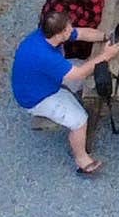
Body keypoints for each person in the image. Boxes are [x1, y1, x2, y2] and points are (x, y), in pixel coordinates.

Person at [10, 18, 104, 175]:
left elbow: (82, 33)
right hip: (38, 96)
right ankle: (82, 160)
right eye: (68, 29)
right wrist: (105, 56)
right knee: (79, 120)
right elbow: (77, 74)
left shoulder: (48, 36)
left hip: (44, 79)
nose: (72, 29)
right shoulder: (45, 55)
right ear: (59, 34)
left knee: (87, 73)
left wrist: (106, 36)